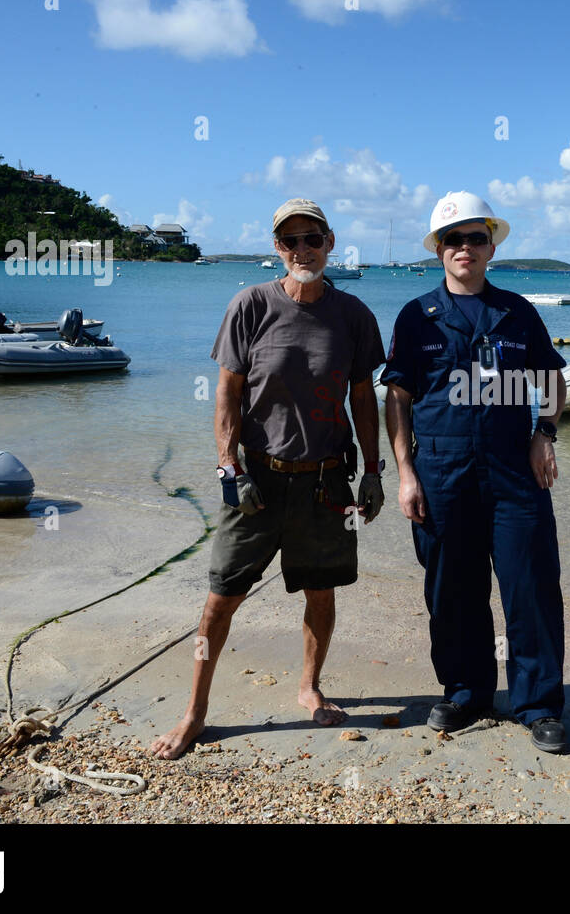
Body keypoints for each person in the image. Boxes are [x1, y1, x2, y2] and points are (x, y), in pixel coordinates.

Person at [151, 198, 385, 759]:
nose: (302, 250)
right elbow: (228, 393)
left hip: (326, 482)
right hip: (256, 479)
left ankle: (309, 686)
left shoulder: (354, 315)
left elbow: (362, 398)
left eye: (312, 239)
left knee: (321, 592)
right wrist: (227, 464)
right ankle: (195, 713)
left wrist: (375, 471)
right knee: (219, 600)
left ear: (330, 242)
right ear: (276, 249)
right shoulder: (250, 304)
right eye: (290, 241)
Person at [382, 191, 570, 754]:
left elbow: (553, 381)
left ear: (491, 247)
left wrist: (545, 433)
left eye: (476, 238)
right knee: (452, 592)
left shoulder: (518, 313)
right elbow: (397, 397)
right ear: (438, 250)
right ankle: (466, 693)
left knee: (530, 588)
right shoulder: (417, 317)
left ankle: (538, 704)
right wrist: (405, 472)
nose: (465, 248)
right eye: (453, 239)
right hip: (442, 472)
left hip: (515, 474)